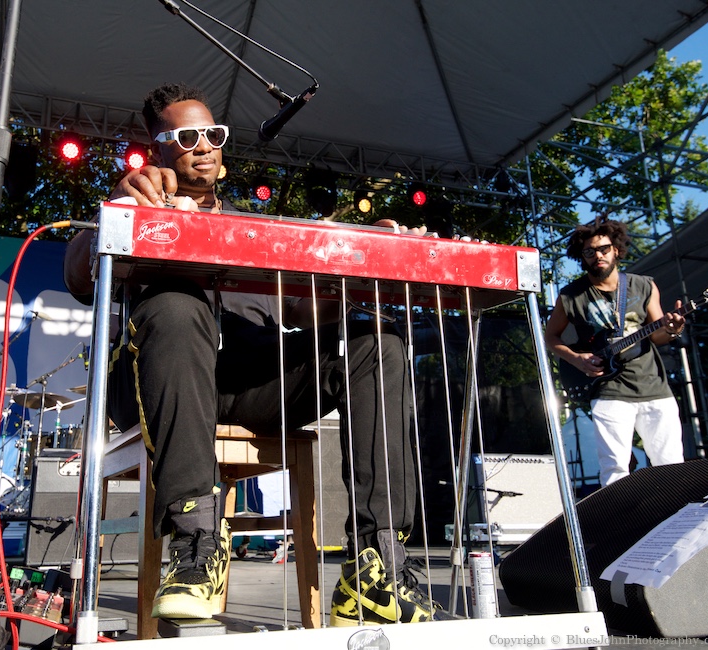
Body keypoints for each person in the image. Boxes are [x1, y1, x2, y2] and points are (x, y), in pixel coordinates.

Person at [63, 83, 441, 626]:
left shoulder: (258, 229)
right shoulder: (136, 206)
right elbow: (77, 272)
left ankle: (374, 567)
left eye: (213, 134)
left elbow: (305, 314)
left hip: (252, 383)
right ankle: (195, 547)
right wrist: (120, 205)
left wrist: (360, 261)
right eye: (188, 136)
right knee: (174, 304)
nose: (205, 146)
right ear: (159, 146)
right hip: (162, 381)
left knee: (376, 344)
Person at [544, 218, 686, 487]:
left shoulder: (643, 285)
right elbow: (550, 337)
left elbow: (658, 334)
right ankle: (620, 526)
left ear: (617, 250)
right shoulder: (571, 296)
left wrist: (673, 329)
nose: (598, 255)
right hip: (607, 388)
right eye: (589, 252)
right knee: (615, 468)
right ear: (582, 257)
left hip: (654, 387)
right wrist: (576, 358)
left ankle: (674, 525)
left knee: (670, 465)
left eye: (604, 249)